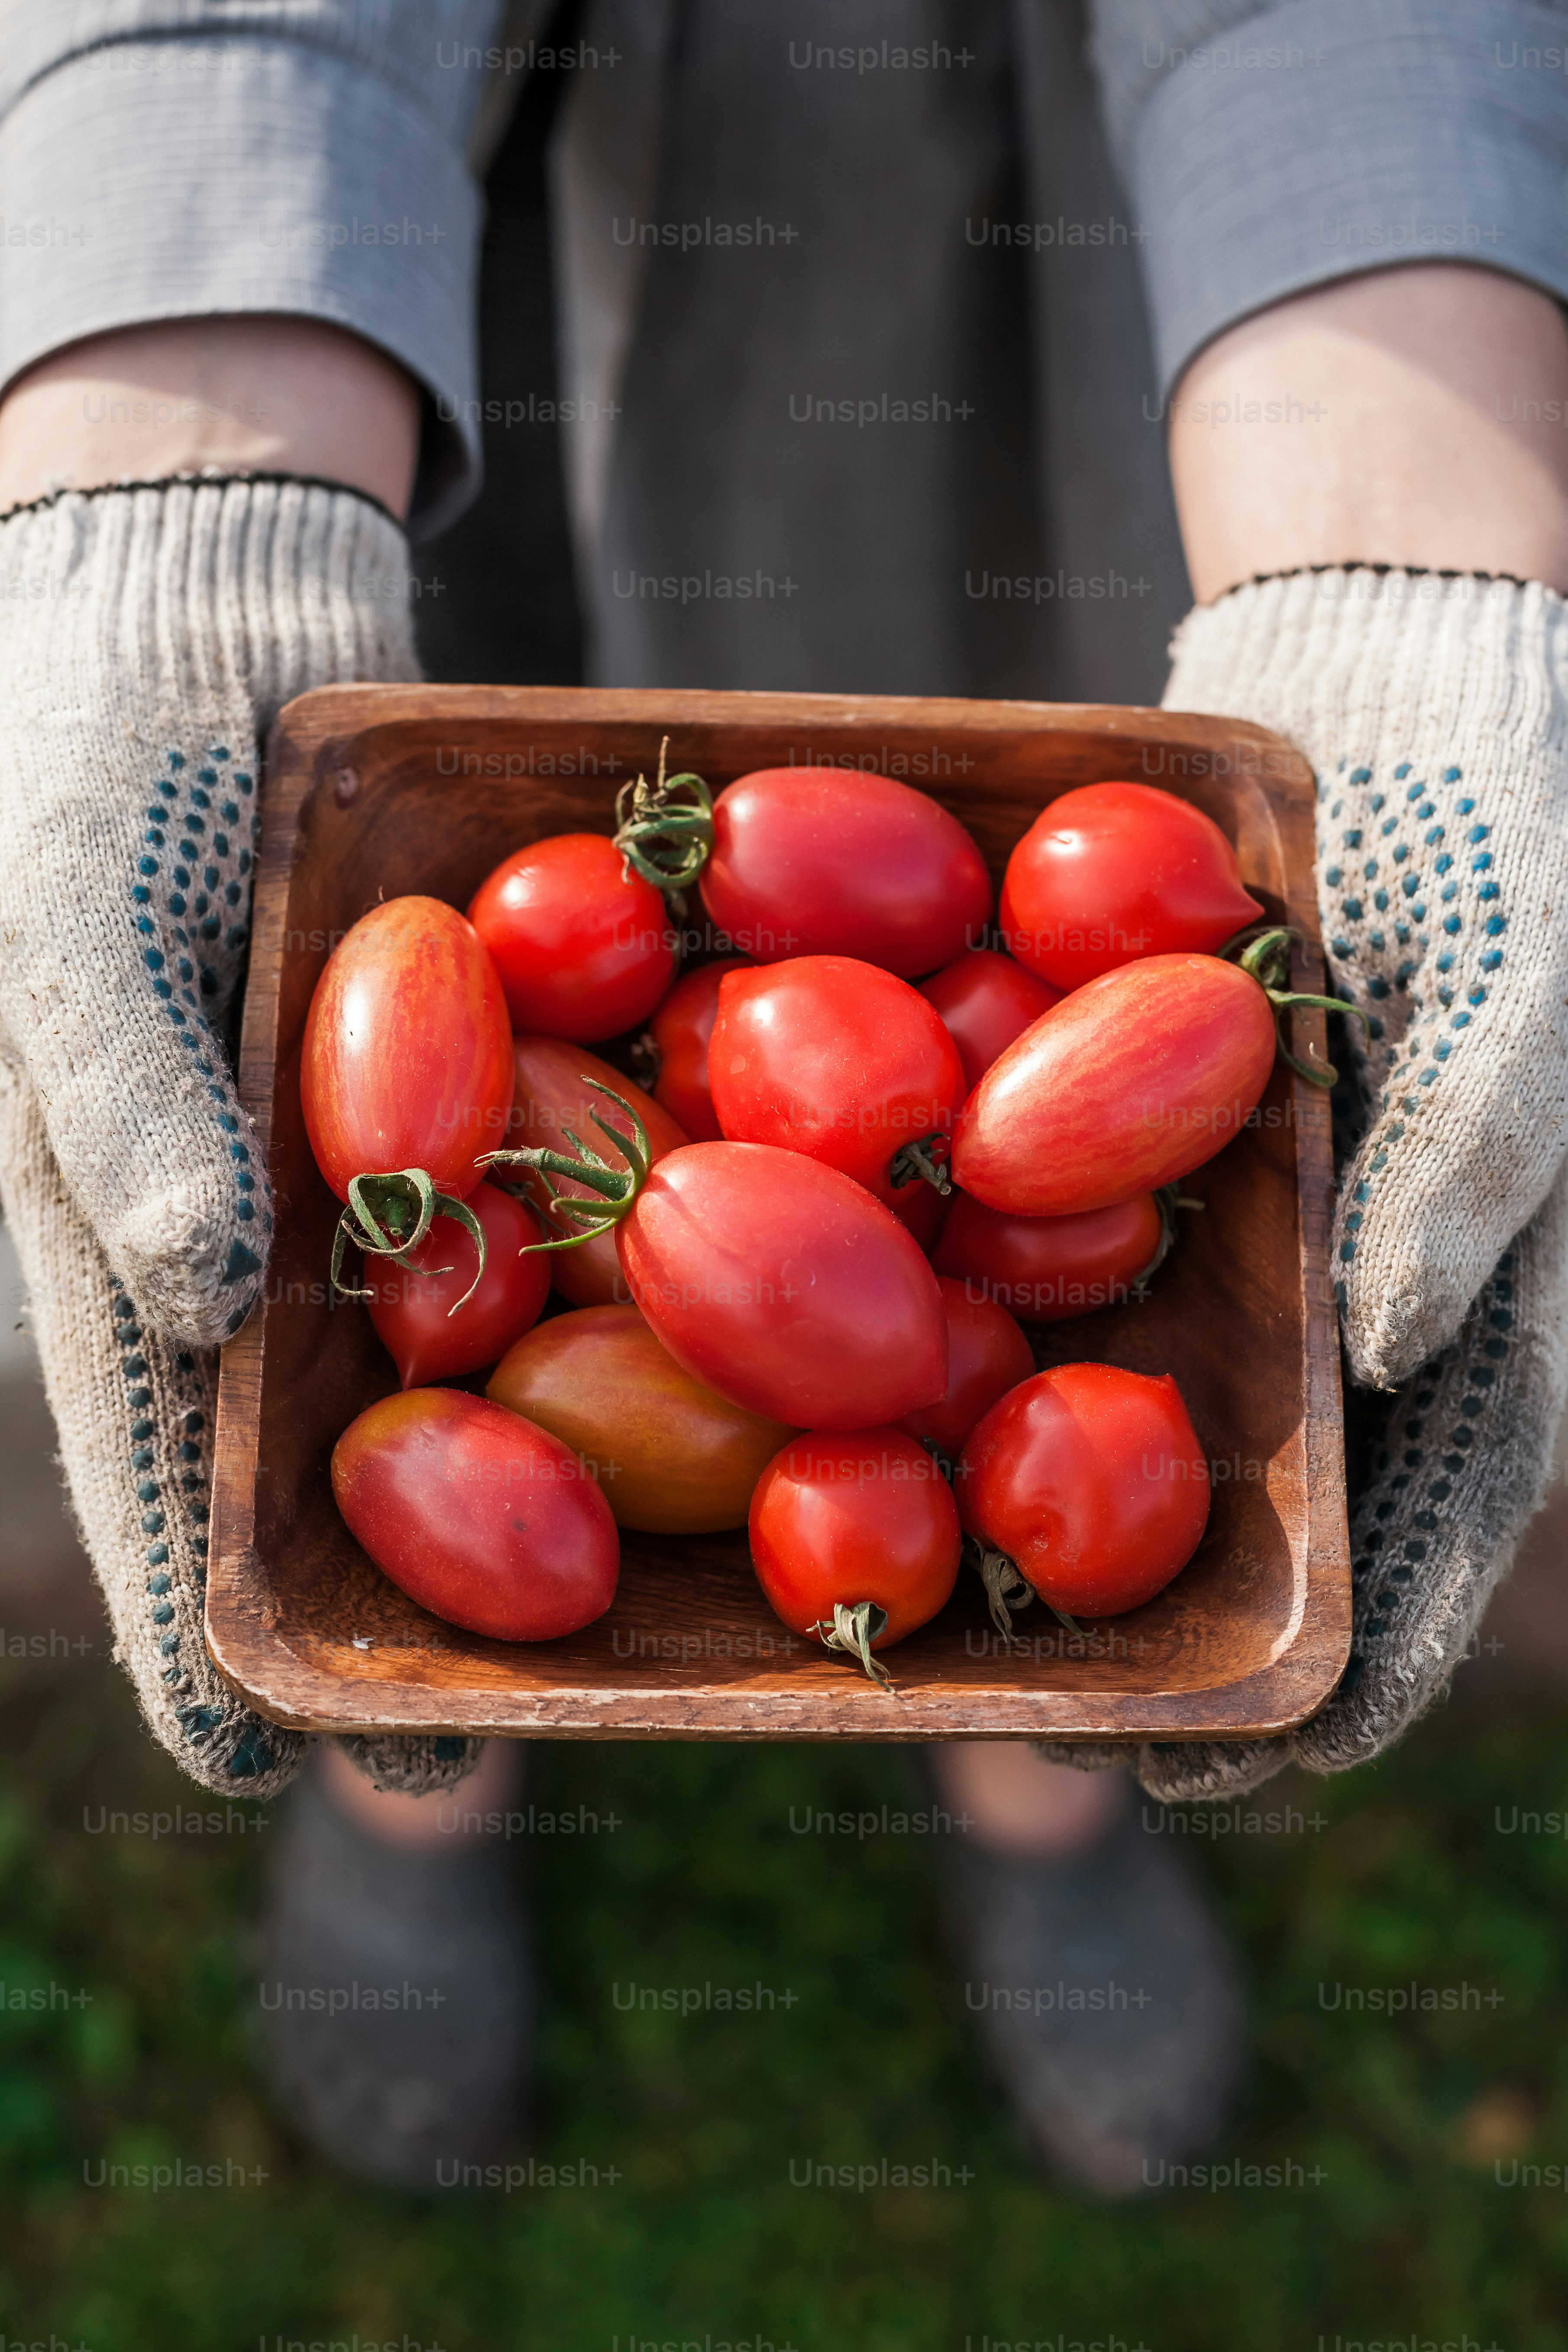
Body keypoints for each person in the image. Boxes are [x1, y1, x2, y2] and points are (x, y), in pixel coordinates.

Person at [1, 0, 1565, 2198]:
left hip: (1030, 187)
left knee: (994, 595)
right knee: (432, 737)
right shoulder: (591, 1119)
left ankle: (1035, 1757)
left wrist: (1408, 535)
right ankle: (414, 1766)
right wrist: (186, 458)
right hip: (468, 191)